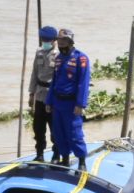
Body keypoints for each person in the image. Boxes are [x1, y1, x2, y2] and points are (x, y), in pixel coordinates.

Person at [47, 28, 90, 170]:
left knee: (74, 133)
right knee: (59, 133)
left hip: (72, 104)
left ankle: (82, 162)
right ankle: (64, 160)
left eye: (64, 41)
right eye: (59, 41)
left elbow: (83, 83)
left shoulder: (81, 58)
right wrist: (49, 101)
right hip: (58, 102)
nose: (61, 44)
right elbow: (54, 81)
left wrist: (80, 104)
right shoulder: (58, 58)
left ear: (70, 42)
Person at [27, 25, 57, 162]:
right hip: (39, 96)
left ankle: (57, 154)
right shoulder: (39, 52)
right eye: (43, 39)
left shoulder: (58, 55)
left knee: (55, 128)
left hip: (52, 97)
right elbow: (34, 73)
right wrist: (31, 94)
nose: (44, 42)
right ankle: (39, 154)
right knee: (38, 128)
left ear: (53, 40)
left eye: (47, 40)